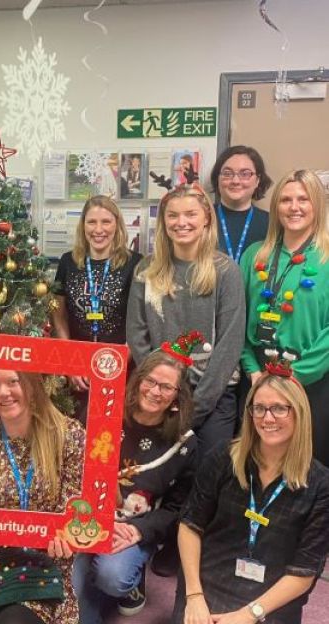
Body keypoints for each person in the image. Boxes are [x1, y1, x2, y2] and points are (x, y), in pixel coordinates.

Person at [177, 371, 329, 624]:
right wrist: (193, 596)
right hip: (207, 586)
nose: (267, 418)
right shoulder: (223, 458)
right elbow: (190, 525)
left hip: (271, 600)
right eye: (259, 408)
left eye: (279, 408)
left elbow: (305, 570)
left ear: (299, 413)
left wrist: (249, 614)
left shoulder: (321, 485)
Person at [0, 369, 85, 624]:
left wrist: (69, 538)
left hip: (44, 567)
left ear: (31, 384)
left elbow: (75, 511)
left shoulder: (70, 435)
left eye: (13, 381)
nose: (3, 393)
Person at [72, 348, 197, 623]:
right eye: (150, 381)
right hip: (88, 518)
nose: (155, 391)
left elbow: (177, 508)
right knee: (71, 583)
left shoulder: (185, 444)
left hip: (133, 527)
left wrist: (139, 531)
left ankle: (130, 579)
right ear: (138, 380)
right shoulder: (101, 411)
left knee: (112, 576)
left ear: (177, 395)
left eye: (166, 387)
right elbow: (72, 471)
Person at [126, 183, 246, 455]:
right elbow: (137, 334)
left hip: (213, 393)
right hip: (157, 392)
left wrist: (197, 406)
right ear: (164, 221)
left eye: (190, 214)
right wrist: (159, 388)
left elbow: (230, 343)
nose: (181, 222)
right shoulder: (147, 269)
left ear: (206, 219)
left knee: (207, 472)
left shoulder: (226, 271)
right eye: (172, 215)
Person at [238, 169, 329, 465]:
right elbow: (237, 318)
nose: (294, 207)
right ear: (276, 206)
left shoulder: (326, 257)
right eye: (286, 200)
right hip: (257, 378)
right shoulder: (255, 255)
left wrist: (296, 376)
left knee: (307, 468)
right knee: (257, 461)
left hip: (310, 381)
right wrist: (252, 369)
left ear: (317, 205)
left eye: (303, 199)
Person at [51, 195, 142, 421]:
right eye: (92, 222)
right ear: (83, 226)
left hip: (120, 366)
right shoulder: (68, 262)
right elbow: (58, 315)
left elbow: (141, 320)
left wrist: (116, 367)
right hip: (77, 367)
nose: (98, 229)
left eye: (106, 222)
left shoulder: (135, 263)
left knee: (107, 438)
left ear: (117, 225)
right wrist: (70, 362)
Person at [209, 145, 272, 264]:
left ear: (257, 180)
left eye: (245, 174)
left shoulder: (272, 223)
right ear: (218, 179)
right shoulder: (202, 218)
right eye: (227, 173)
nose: (235, 181)